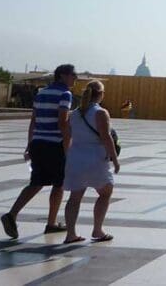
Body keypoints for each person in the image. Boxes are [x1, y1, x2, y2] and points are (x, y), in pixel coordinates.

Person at [1, 64, 77, 239]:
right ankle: (51, 223)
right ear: (62, 76)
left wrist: (30, 144)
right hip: (55, 144)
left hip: (38, 143)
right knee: (59, 184)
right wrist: (68, 146)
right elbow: (63, 122)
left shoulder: (41, 93)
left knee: (36, 182)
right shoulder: (65, 94)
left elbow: (33, 120)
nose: (75, 78)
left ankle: (12, 214)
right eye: (73, 75)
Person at [62, 79, 119, 244]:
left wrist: (68, 156)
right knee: (105, 193)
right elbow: (106, 137)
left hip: (76, 157)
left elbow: (68, 136)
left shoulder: (74, 114)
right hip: (95, 158)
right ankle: (97, 229)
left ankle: (70, 233)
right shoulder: (100, 112)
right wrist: (114, 159)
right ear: (100, 95)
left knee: (74, 197)